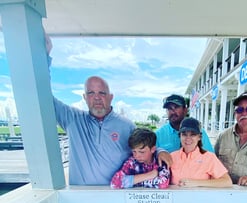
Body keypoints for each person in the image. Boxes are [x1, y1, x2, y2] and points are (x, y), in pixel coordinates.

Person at [46, 34, 171, 185]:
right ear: (84, 97)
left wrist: (160, 151)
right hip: (79, 197)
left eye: (102, 93)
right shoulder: (71, 118)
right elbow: (43, 96)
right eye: (91, 93)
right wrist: (45, 58)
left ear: (111, 97)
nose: (97, 98)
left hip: (114, 196)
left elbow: (145, 143)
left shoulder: (126, 125)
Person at [170, 117, 232, 188]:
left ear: (199, 137)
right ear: (179, 136)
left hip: (201, 198)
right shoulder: (172, 157)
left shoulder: (209, 157)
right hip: (176, 198)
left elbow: (227, 181)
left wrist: (196, 183)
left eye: (192, 134)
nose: (188, 138)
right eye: (184, 134)